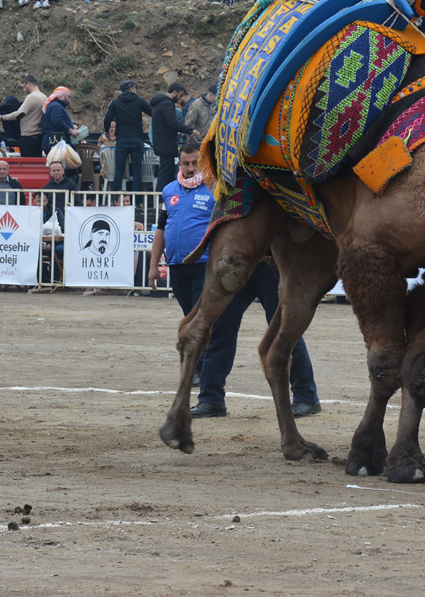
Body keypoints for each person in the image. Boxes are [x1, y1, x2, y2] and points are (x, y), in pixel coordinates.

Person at [150, 143, 321, 418]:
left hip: (269, 263)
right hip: (240, 262)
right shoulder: (227, 182)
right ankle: (212, 398)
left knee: (283, 329)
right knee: (221, 329)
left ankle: (306, 394)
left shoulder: (272, 172)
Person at [103, 80, 154, 191]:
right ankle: (136, 201)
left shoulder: (115, 102)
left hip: (122, 139)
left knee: (119, 170)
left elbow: (107, 119)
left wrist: (107, 132)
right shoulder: (139, 101)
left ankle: (116, 199)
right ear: (131, 89)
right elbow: (153, 113)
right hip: (137, 139)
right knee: (137, 172)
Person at [151, 82, 197, 193]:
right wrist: (190, 130)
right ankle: (161, 199)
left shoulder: (159, 103)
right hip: (166, 144)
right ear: (174, 92)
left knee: (169, 172)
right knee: (166, 173)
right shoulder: (167, 104)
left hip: (161, 142)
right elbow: (172, 123)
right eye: (180, 95)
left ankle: (167, 197)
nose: (181, 98)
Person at [5, 76, 47, 158]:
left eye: (24, 86)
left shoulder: (31, 97)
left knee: (26, 164)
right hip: (39, 136)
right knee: (36, 164)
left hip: (28, 136)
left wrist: (3, 117)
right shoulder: (44, 97)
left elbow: (19, 113)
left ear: (28, 84)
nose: (24, 90)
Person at [40, 86, 78, 153]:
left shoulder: (56, 106)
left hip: (56, 145)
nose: (69, 99)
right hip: (55, 145)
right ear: (61, 96)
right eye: (68, 96)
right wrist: (71, 131)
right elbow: (58, 122)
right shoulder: (56, 107)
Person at [42, 160, 78, 229]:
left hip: (69, 219)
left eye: (58, 170)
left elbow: (77, 202)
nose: (56, 173)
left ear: (63, 171)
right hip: (51, 221)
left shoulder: (71, 185)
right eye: (53, 171)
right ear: (50, 172)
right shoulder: (46, 187)